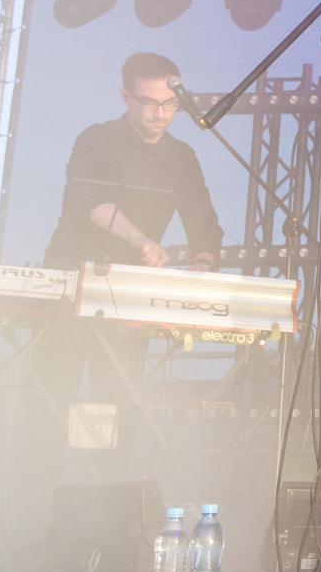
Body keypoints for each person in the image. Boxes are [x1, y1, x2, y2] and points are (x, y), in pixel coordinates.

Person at [37, 52, 224, 446]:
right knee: (51, 398)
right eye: (150, 102)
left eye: (170, 103)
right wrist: (139, 238)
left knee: (116, 404)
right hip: (70, 284)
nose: (161, 112)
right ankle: (42, 482)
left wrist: (202, 265)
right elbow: (92, 201)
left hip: (129, 296)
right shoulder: (95, 138)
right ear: (125, 96)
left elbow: (204, 222)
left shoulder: (182, 157)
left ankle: (101, 491)